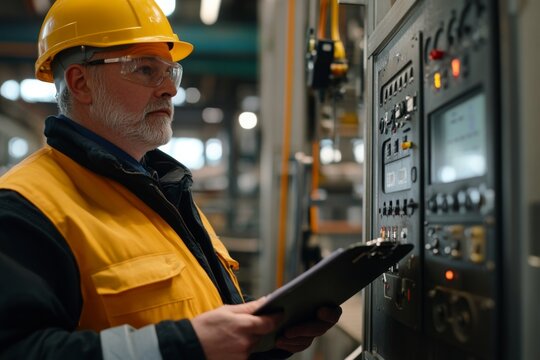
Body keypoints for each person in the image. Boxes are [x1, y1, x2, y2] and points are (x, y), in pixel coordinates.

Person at [0, 0, 341, 359]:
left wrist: (262, 337)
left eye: (170, 72)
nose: (170, 90)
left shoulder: (162, 187)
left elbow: (191, 314)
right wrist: (188, 345)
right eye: (146, 70)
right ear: (81, 83)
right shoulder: (26, 209)